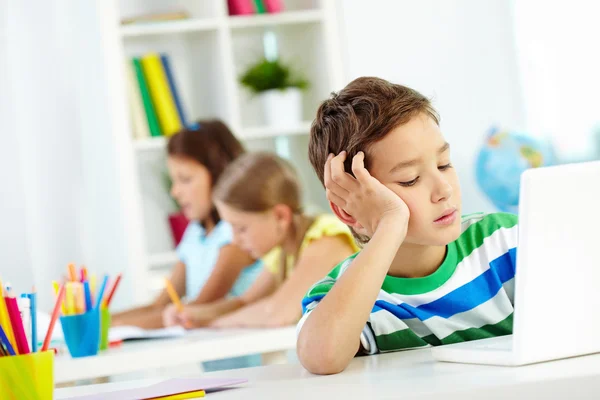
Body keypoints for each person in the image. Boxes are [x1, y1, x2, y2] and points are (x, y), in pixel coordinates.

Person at [296, 77, 518, 375]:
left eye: (444, 164)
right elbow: (321, 357)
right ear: (349, 209)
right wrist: (391, 223)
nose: (444, 189)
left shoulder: (505, 241)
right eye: (410, 179)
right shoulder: (346, 295)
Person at [165, 152, 359, 329]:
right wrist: (193, 314)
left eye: (241, 228)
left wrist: (213, 322)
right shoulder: (282, 251)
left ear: (280, 217)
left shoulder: (327, 239)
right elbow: (245, 302)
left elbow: (278, 312)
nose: (235, 240)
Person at [112, 120, 262, 329]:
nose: (175, 192)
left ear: (221, 176)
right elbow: (159, 305)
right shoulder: (195, 233)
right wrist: (101, 322)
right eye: (174, 181)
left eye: (185, 179)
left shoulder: (236, 236)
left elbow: (198, 309)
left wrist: (107, 329)